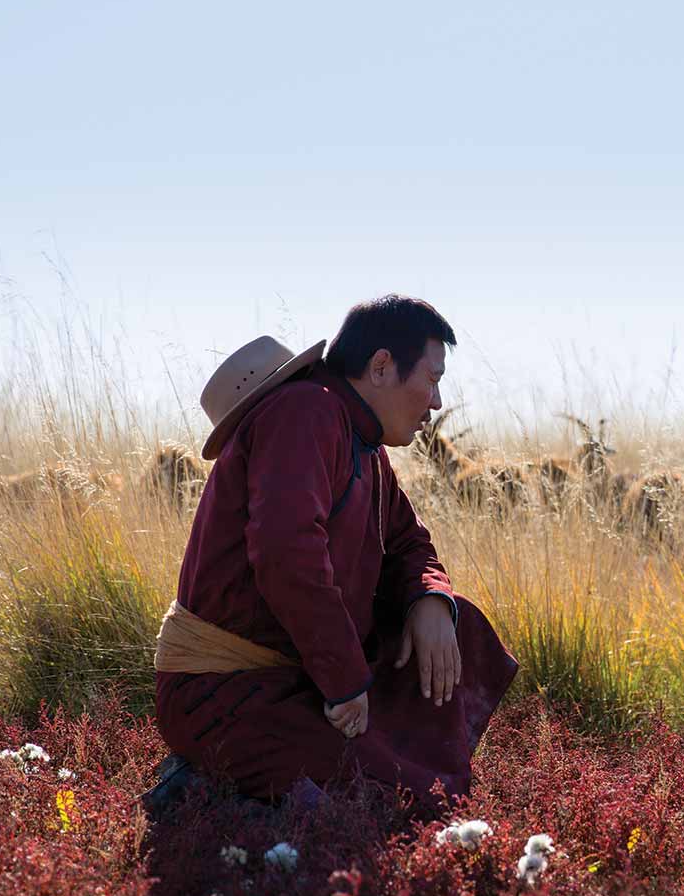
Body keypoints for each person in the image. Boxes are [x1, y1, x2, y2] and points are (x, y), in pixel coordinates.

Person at [146, 295, 518, 819]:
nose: (436, 402)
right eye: (432, 380)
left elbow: (410, 544)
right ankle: (201, 787)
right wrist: (346, 684)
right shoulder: (304, 412)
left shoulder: (362, 441)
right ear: (382, 366)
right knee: (388, 794)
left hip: (297, 677)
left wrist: (432, 601)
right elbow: (286, 554)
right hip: (225, 693)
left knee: (463, 629)